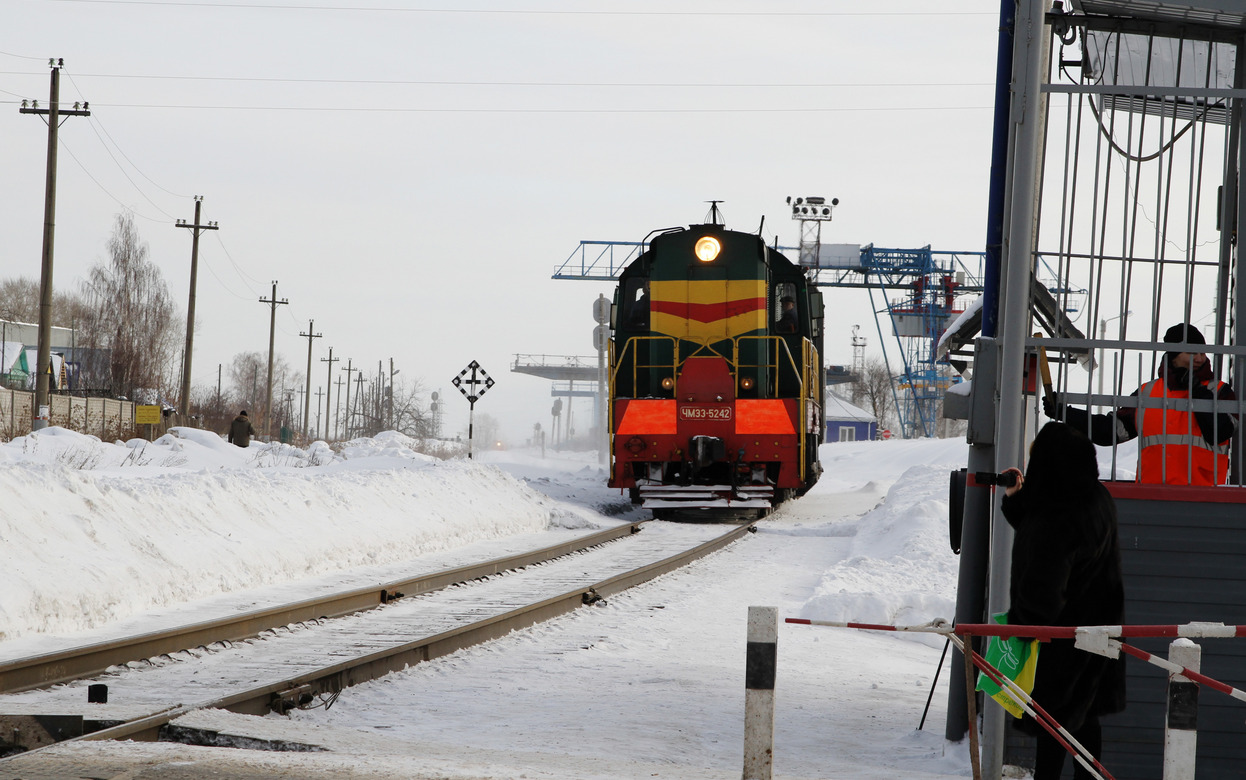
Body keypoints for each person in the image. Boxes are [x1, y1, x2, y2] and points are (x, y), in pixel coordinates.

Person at [1000, 422, 1126, 780]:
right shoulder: (1094, 496)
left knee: (1053, 727)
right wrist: (1017, 498)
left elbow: (1045, 576)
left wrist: (1021, 625)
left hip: (1062, 639)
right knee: (1083, 722)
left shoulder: (1060, 511)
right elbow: (1044, 532)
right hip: (1098, 633)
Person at [1045, 323, 1237, 485]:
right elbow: (1110, 431)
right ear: (1174, 355)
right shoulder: (1147, 392)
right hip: (1152, 496)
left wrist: (1197, 391)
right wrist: (1064, 412)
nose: (1200, 358)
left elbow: (1221, 432)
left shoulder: (1220, 391)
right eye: (1192, 352)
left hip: (1205, 498)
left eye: (1202, 352)